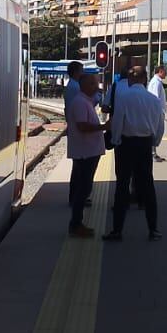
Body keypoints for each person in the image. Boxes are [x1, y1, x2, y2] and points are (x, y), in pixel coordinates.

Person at [105, 65, 164, 241]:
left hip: (126, 144)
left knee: (122, 186)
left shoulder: (124, 98)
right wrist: (154, 142)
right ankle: (153, 229)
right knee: (147, 185)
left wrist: (116, 140)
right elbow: (160, 125)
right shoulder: (154, 100)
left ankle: (117, 230)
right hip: (145, 144)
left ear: (130, 80)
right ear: (145, 79)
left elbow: (117, 122)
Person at [63, 72, 105, 237]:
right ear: (85, 86)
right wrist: (104, 127)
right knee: (83, 189)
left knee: (85, 188)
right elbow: (82, 126)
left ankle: (77, 223)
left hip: (88, 151)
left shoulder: (85, 101)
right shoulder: (80, 102)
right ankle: (76, 224)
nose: (96, 86)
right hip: (85, 152)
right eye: (93, 84)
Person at [147, 66, 167, 161]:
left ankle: (154, 152)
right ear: (160, 72)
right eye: (165, 72)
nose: (166, 74)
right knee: (155, 133)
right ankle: (152, 153)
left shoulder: (157, 82)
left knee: (157, 133)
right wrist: (158, 113)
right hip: (156, 112)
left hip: (158, 112)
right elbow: (155, 98)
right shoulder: (156, 83)